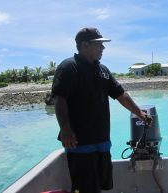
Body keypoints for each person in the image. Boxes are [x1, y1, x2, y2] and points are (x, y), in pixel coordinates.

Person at [52, 27, 148, 193]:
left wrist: (139, 112)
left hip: (102, 141)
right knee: (84, 188)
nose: (103, 48)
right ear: (84, 45)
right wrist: (65, 129)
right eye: (99, 44)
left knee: (102, 185)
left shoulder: (102, 70)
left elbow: (120, 94)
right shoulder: (69, 67)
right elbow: (59, 99)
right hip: (80, 142)